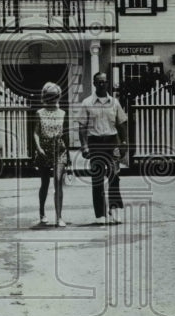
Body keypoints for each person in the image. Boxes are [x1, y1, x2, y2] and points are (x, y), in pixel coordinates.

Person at [77, 71, 128, 224]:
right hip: (95, 143)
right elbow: (82, 126)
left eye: (104, 81)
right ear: (94, 83)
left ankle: (114, 209)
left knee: (114, 176)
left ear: (107, 83)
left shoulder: (114, 102)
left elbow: (122, 124)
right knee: (97, 178)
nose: (102, 84)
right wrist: (84, 146)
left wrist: (124, 143)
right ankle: (100, 214)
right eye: (99, 81)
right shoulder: (87, 103)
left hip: (112, 142)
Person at [33, 82, 68, 227]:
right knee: (45, 183)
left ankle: (59, 217)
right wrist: (38, 148)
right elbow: (35, 132)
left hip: (59, 151)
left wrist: (69, 155)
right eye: (49, 96)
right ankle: (42, 213)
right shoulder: (39, 113)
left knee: (58, 182)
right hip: (44, 151)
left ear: (58, 97)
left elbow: (65, 134)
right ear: (44, 97)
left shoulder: (62, 113)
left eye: (54, 96)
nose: (52, 99)